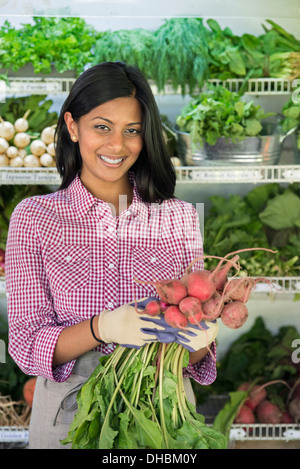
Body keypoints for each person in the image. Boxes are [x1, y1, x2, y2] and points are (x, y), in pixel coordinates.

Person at [5, 61, 219, 449]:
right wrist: (99, 328)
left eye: (132, 131)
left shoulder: (178, 217)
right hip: (68, 418)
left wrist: (200, 339)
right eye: (102, 126)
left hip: (161, 414)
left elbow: (191, 347)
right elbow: (24, 343)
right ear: (73, 126)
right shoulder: (35, 218)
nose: (117, 145)